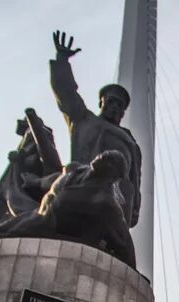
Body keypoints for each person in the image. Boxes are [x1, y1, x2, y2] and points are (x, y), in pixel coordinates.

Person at [49, 30, 143, 228]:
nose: (115, 107)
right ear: (101, 103)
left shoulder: (130, 142)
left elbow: (135, 179)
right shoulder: (84, 119)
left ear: (124, 111)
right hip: (81, 185)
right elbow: (66, 94)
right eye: (110, 101)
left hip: (116, 200)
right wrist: (62, 61)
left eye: (119, 105)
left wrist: (135, 207)